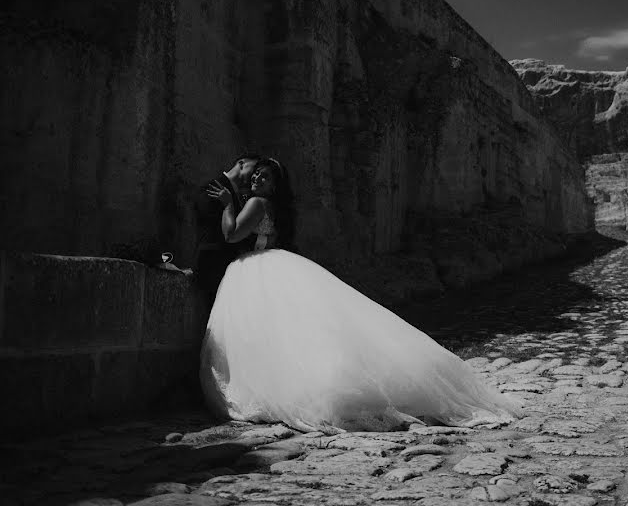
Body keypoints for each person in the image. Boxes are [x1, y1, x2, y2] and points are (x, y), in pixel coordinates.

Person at [199, 158, 520, 432]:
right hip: (273, 264)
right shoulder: (275, 209)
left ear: (275, 186)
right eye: (256, 173)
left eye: (264, 176)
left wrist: (228, 205)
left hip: (255, 269)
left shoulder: (256, 204)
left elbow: (232, 234)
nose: (257, 178)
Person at [194, 153, 260, 318]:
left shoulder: (242, 196)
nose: (254, 176)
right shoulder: (214, 186)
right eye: (255, 169)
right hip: (214, 264)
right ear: (242, 163)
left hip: (230, 267)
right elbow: (213, 228)